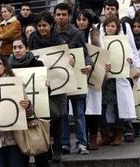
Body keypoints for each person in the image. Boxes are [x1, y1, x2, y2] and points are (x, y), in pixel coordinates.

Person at [8, 39, 51, 167]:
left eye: (20, 47)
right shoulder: (8, 68)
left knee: (42, 158)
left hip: (39, 115)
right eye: (14, 47)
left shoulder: (37, 65)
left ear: (27, 48)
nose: (17, 50)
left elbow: (45, 93)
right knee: (22, 160)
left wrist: (47, 86)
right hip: (19, 119)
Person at [99, 0, 140, 144]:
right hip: (106, 72)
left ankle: (126, 130)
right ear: (104, 10)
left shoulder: (125, 26)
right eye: (107, 9)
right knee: (107, 104)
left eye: (112, 8)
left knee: (123, 101)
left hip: (122, 71)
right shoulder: (99, 27)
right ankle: (109, 132)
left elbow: (131, 46)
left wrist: (135, 64)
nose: (110, 11)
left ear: (117, 10)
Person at [54, 3, 92, 155]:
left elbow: (85, 54)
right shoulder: (51, 33)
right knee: (62, 114)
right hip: (59, 80)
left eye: (64, 14)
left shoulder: (77, 33)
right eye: (58, 14)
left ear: (69, 16)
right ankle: (64, 144)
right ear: (55, 16)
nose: (61, 17)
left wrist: (89, 65)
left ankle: (82, 143)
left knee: (79, 113)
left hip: (76, 78)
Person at [28, 11, 66, 163]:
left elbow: (66, 60)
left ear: (51, 25)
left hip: (57, 84)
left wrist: (69, 62)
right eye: (39, 26)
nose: (42, 28)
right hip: (40, 85)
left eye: (44, 25)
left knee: (57, 116)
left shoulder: (59, 40)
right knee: (43, 117)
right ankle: (47, 148)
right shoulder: (32, 39)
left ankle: (57, 147)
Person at [74, 9, 103, 150]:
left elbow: (102, 54)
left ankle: (93, 136)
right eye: (79, 19)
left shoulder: (94, 36)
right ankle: (83, 136)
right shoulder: (72, 35)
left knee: (94, 106)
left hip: (94, 75)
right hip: (78, 76)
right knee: (81, 108)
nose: (81, 22)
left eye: (84, 19)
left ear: (89, 21)